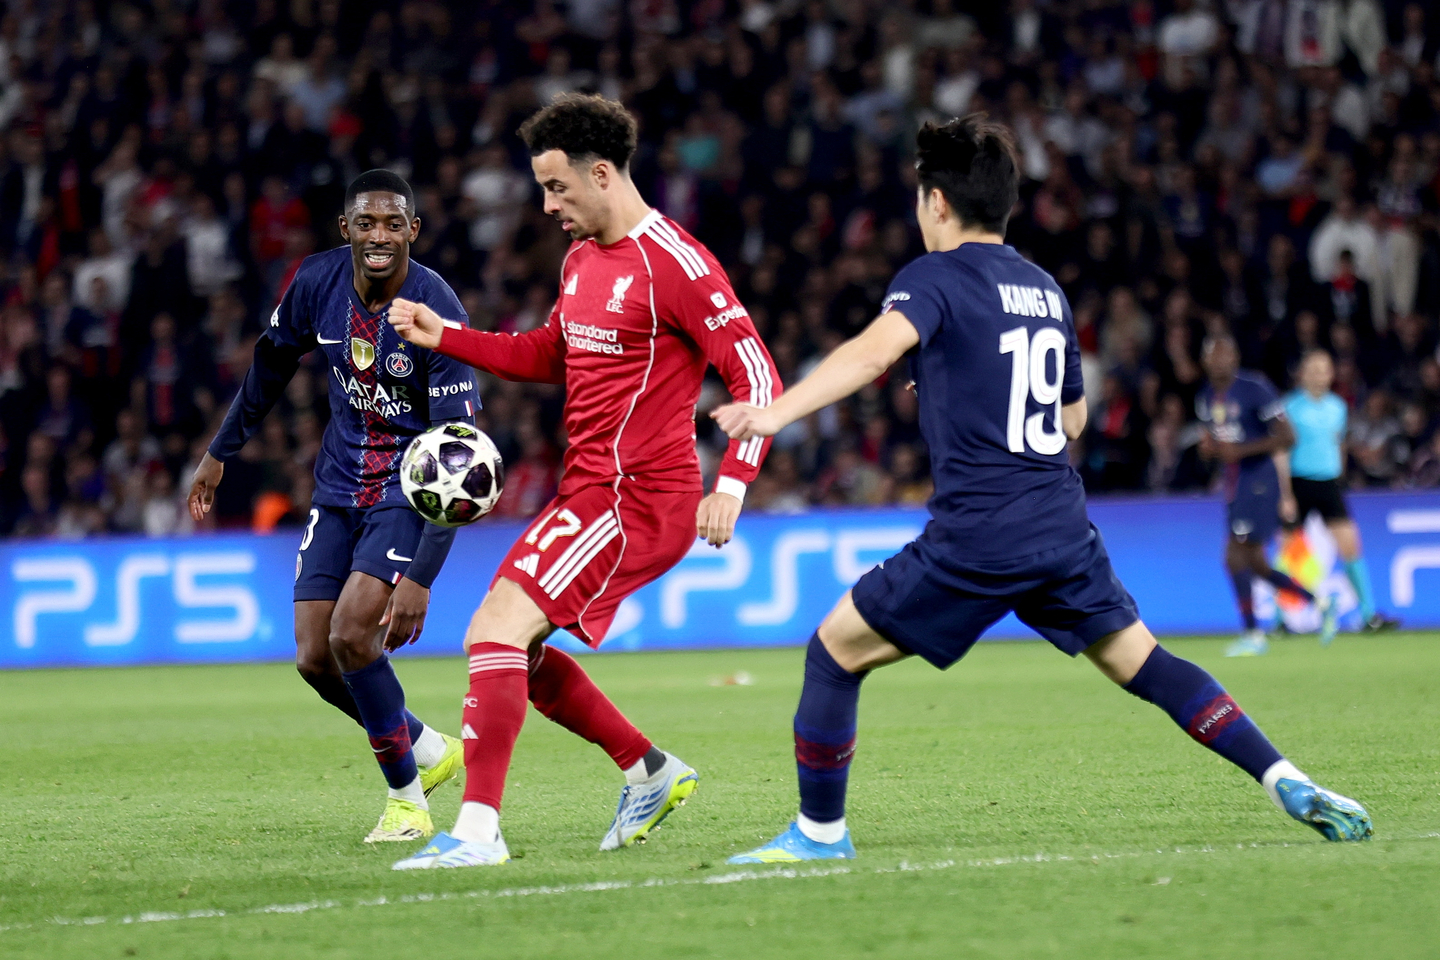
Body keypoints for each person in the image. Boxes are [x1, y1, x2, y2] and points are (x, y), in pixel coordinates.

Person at [712, 115, 1371, 864]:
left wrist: (772, 413)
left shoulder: (931, 277)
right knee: (1147, 664)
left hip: (980, 531)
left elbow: (870, 355)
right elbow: (1074, 414)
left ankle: (820, 835)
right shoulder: (1045, 288)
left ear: (935, 203)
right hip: (1062, 526)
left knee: (835, 652)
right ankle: (1281, 774)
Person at [385, 94, 782, 870]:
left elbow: (757, 374)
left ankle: (476, 833)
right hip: (590, 493)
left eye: (557, 187)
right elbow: (552, 353)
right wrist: (450, 338)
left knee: (493, 631)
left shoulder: (677, 265)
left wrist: (731, 484)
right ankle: (648, 769)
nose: (547, 204)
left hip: (640, 498)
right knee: (515, 654)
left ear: (602, 174)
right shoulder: (581, 259)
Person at [187, 170, 479, 843]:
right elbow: (270, 364)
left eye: (393, 223)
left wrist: (422, 578)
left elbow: (458, 452)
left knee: (354, 635)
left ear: (413, 231)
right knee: (315, 658)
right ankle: (427, 751)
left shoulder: (435, 305)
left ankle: (408, 805)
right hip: (338, 487)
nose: (379, 235)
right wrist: (219, 450)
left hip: (407, 492)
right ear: (345, 228)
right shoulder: (316, 283)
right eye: (366, 222)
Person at [1196, 335, 1337, 657]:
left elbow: (1288, 436)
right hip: (1234, 482)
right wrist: (1210, 451)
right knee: (1256, 563)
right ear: (1205, 361)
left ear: (1235, 357)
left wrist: (1240, 450)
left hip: (1259, 480)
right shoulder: (1205, 397)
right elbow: (1218, 443)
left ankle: (1252, 633)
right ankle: (1322, 602)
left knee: (1234, 557)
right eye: (1215, 355)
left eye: (1227, 353)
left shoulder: (1254, 387)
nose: (1222, 361)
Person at [1284, 350, 1400, 633]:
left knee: (1350, 546)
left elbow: (1339, 445)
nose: (1319, 374)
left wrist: (1341, 475)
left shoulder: (1338, 407)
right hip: (1298, 482)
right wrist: (1284, 493)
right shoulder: (1289, 407)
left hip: (1329, 483)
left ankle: (1368, 615)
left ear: (1331, 374)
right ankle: (1279, 620)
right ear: (1302, 374)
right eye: (1313, 369)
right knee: (1291, 552)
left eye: (1324, 369)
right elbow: (1282, 451)